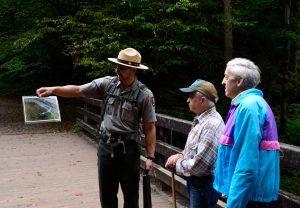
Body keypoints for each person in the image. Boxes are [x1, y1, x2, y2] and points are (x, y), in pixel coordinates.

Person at [36, 48, 157, 208]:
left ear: (134, 69)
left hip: (129, 151)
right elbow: (79, 90)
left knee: (131, 198)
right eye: (117, 67)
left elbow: (149, 127)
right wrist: (53, 90)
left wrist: (150, 157)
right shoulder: (108, 84)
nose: (117, 71)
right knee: (106, 197)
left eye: (122, 68)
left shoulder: (144, 95)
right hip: (106, 148)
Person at [213, 58, 280, 208]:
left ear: (239, 81)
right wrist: (229, 186)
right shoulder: (247, 104)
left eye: (226, 77)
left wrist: (235, 202)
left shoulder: (248, 107)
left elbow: (247, 163)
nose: (223, 81)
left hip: (249, 197)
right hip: (249, 193)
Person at [165, 79, 225, 208]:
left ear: (202, 100)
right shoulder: (203, 119)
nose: (187, 100)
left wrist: (177, 164)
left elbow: (200, 167)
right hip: (201, 183)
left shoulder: (210, 125)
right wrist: (181, 155)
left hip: (203, 184)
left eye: (191, 97)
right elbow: (195, 149)